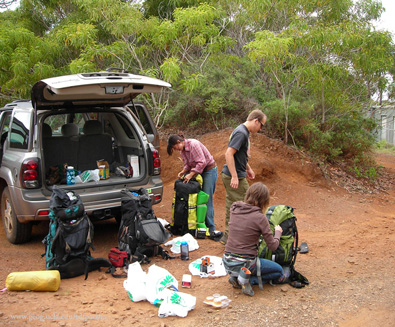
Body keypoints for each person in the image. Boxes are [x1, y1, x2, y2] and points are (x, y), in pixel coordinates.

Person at [222, 182, 285, 296]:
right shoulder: (260, 217)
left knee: (246, 259)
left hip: (227, 261)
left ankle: (236, 276)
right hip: (245, 263)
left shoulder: (234, 208)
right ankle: (248, 280)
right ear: (264, 200)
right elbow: (273, 246)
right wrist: (277, 233)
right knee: (279, 271)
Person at [220, 109, 267, 244]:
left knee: (233, 205)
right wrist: (235, 176)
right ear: (256, 121)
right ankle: (251, 238)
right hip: (233, 176)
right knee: (251, 204)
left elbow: (240, 155)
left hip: (235, 174)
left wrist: (248, 168)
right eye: (261, 125)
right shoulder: (241, 133)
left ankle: (228, 237)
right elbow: (229, 154)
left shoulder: (243, 132)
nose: (261, 129)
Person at [167, 134, 223, 240]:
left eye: (175, 147)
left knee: (205, 199)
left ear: (179, 142)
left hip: (209, 171)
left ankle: (210, 229)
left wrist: (191, 174)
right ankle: (199, 227)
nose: (176, 150)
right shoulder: (182, 151)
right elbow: (188, 164)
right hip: (198, 172)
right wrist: (183, 171)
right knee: (197, 200)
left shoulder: (194, 144)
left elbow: (202, 162)